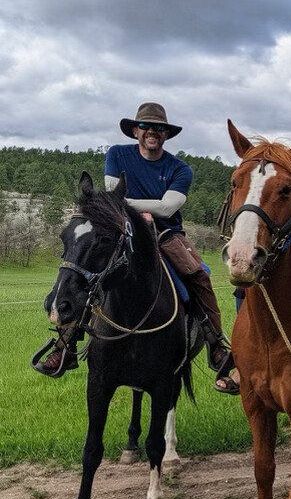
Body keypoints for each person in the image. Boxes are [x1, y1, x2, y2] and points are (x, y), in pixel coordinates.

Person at [34, 102, 240, 392]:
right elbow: (111, 192)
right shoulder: (117, 154)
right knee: (92, 273)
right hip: (123, 231)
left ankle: (215, 341)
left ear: (166, 134)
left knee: (197, 274)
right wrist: (131, 214)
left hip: (165, 233)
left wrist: (128, 208)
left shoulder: (180, 169)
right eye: (145, 126)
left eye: (158, 128)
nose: (151, 132)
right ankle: (65, 344)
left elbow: (167, 208)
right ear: (135, 130)